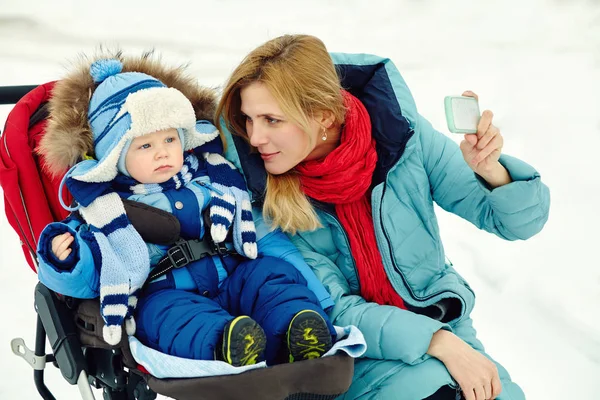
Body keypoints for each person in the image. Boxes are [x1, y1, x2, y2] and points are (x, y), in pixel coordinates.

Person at [216, 34, 550, 399]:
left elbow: (517, 223)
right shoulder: (255, 190)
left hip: (443, 324)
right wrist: (437, 343)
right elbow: (330, 307)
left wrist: (492, 172)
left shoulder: (401, 136)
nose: (255, 137)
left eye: (271, 120)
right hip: (350, 353)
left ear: (324, 116)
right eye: (248, 119)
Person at [35, 55, 335, 367]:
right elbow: (93, 276)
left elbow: (264, 236)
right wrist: (67, 260)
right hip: (165, 292)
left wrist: (318, 294)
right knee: (168, 318)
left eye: (169, 138)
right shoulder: (104, 210)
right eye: (145, 146)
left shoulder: (215, 181)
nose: (162, 151)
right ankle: (227, 343)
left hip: (231, 278)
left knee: (270, 275)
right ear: (115, 157)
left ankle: (297, 327)